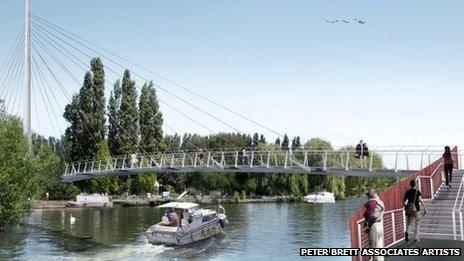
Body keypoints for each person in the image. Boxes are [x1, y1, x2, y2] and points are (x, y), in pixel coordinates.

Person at [363, 189, 385, 261]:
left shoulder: (372, 203)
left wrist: (367, 221)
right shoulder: (380, 202)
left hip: (374, 226)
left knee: (375, 247)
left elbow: (372, 215)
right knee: (379, 246)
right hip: (380, 225)